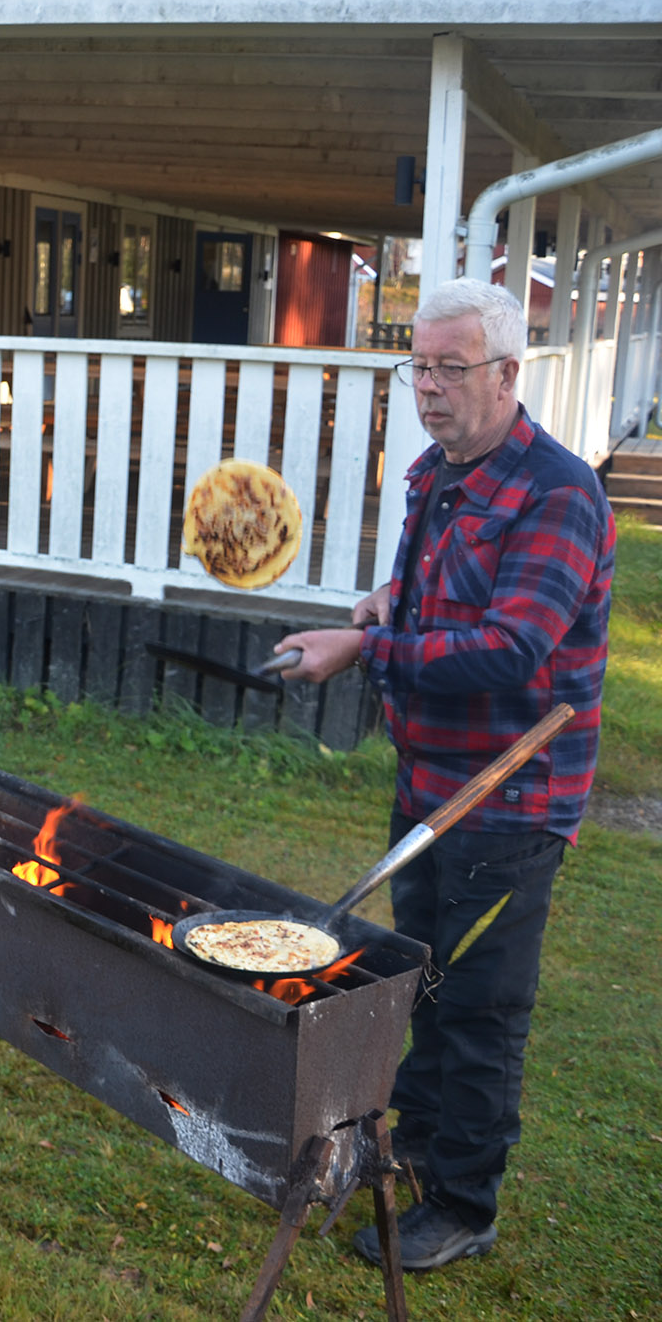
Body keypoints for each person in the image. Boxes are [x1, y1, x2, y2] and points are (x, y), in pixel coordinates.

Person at [275, 278, 614, 1271]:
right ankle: (413, 1146)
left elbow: (510, 648)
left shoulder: (557, 493)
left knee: (477, 1006)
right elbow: (442, 591)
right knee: (415, 981)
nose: (425, 387)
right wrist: (385, 602)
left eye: (447, 368)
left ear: (507, 373)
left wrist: (361, 652)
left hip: (509, 799)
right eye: (415, 365)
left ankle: (463, 1202)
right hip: (429, 785)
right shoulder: (435, 472)